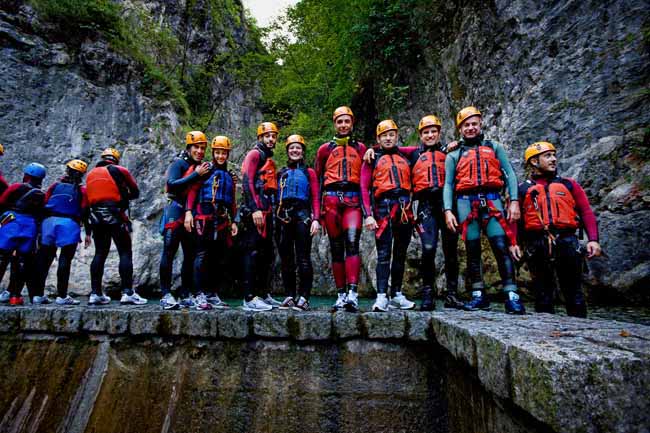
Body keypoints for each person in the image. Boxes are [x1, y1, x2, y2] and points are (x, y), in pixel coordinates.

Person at [443, 106, 525, 314]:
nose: (470, 128)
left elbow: (509, 174)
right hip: (465, 203)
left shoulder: (494, 147)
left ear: (480, 125)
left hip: (492, 200)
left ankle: (511, 294)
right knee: (472, 250)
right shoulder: (454, 154)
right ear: (460, 129)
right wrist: (447, 210)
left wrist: (514, 200)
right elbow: (449, 185)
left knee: (500, 246)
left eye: (474, 124)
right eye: (466, 125)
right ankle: (478, 295)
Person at [509, 142, 601, 317]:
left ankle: (580, 332)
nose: (554, 159)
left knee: (574, 292)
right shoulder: (523, 189)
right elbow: (514, 219)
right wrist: (513, 242)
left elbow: (586, 212)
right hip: (536, 243)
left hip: (567, 240)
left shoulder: (569, 185)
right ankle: (544, 339)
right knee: (542, 294)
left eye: (554, 155)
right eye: (548, 156)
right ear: (534, 162)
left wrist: (593, 239)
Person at [315, 106, 368, 312]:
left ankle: (353, 294)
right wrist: (317, 213)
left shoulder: (362, 149)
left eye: (347, 121)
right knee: (336, 249)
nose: (344, 125)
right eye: (340, 121)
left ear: (352, 124)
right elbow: (318, 180)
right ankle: (341, 294)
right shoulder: (324, 150)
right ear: (335, 124)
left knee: (352, 243)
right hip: (330, 201)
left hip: (353, 200)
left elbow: (367, 179)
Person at [361, 120, 416, 311]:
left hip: (404, 209)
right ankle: (382, 296)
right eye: (384, 135)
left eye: (391, 134)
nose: (388, 138)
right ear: (378, 138)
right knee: (384, 254)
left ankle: (397, 294)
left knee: (400, 254)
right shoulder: (372, 158)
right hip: (383, 209)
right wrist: (368, 215)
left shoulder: (406, 155)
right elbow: (363, 187)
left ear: (396, 136)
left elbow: (425, 147)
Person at [409, 115, 462, 310]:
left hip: (447, 204)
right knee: (429, 249)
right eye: (426, 132)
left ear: (439, 133)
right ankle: (428, 294)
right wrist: (372, 149)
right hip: (425, 206)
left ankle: (452, 294)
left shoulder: (450, 151)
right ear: (420, 135)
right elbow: (391, 150)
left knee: (450, 251)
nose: (430, 135)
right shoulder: (414, 155)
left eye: (433, 131)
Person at [159, 131, 211, 310]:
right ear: (189, 147)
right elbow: (172, 184)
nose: (199, 151)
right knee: (169, 251)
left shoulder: (201, 168)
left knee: (189, 254)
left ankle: (184, 293)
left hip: (191, 213)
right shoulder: (179, 163)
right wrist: (195, 174)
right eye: (196, 147)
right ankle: (165, 294)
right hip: (175, 208)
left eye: (202, 148)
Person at [184, 135, 238, 310]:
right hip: (203, 217)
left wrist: (234, 221)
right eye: (218, 152)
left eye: (224, 153)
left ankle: (212, 293)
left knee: (218, 258)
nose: (221, 156)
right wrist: (188, 213)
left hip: (221, 219)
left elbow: (232, 202)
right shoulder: (204, 170)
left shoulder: (229, 176)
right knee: (201, 255)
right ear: (213, 153)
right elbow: (193, 191)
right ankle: (198, 293)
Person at [86, 148, 143, 305]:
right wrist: (124, 193)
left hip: (95, 217)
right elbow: (135, 192)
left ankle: (96, 293)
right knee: (125, 252)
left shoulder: (90, 174)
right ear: (116, 159)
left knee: (99, 253)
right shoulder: (120, 170)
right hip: (115, 214)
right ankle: (127, 293)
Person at [32, 159, 90, 305]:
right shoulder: (82, 190)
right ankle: (62, 296)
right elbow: (84, 211)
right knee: (65, 259)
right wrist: (88, 233)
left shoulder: (55, 185)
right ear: (82, 175)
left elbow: (44, 203)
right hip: (69, 224)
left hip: (49, 223)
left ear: (67, 171)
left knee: (44, 259)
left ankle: (38, 295)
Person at [275, 134, 320, 311]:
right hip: (284, 217)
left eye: (298, 148)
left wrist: (316, 219)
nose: (295, 150)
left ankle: (304, 297)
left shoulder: (309, 173)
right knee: (286, 259)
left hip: (303, 217)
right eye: (292, 148)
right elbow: (275, 197)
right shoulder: (281, 173)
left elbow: (316, 196)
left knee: (303, 258)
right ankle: (289, 295)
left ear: (302, 151)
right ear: (287, 151)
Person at [239, 122, 280, 311]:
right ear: (260, 138)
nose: (271, 139)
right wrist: (254, 208)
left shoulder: (267, 158)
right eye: (267, 136)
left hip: (267, 211)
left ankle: (263, 294)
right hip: (255, 211)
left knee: (267, 254)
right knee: (253, 252)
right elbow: (247, 180)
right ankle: (249, 297)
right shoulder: (254, 154)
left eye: (273, 136)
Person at [0, 163, 46, 305]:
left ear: (26, 175)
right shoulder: (41, 195)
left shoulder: (15, 187)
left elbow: (2, 201)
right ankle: (15, 296)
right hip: (30, 226)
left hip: (12, 222)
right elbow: (41, 213)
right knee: (22, 261)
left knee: (2, 257)